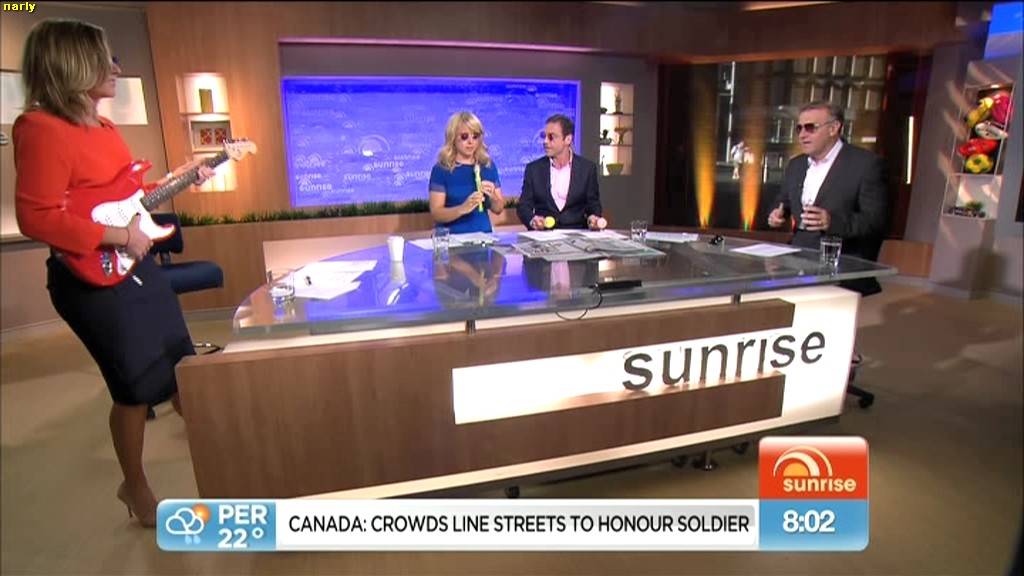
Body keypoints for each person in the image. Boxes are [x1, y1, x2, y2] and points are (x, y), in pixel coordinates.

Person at [13, 19, 215, 528]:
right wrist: (122, 237)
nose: (116, 69)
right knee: (135, 387)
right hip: (90, 280)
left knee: (181, 369)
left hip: (138, 269)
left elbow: (125, 200)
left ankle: (228, 459)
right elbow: (36, 217)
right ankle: (135, 485)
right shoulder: (39, 128)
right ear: (72, 65)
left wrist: (181, 179)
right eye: (106, 60)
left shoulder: (105, 129)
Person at [767, 100, 888, 366]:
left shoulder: (865, 165)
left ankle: (842, 364)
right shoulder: (797, 165)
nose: (802, 134)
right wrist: (779, 212)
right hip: (799, 257)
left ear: (834, 128)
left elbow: (875, 221)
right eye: (799, 128)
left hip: (841, 261)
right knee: (793, 322)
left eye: (810, 127)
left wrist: (832, 222)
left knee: (828, 334)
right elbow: (784, 199)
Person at [517, 114, 605, 231]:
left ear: (568, 139)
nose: (545, 141)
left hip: (576, 235)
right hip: (544, 235)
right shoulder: (533, 169)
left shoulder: (587, 169)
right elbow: (524, 206)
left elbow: (593, 206)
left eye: (551, 137)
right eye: (544, 136)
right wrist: (533, 221)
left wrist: (593, 220)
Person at [429, 112, 504, 234]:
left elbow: (498, 209)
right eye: (464, 137)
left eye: (475, 136)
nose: (471, 142)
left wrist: (493, 197)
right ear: (453, 137)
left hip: (483, 236)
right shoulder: (442, 169)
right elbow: (436, 213)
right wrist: (462, 209)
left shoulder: (487, 166)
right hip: (452, 238)